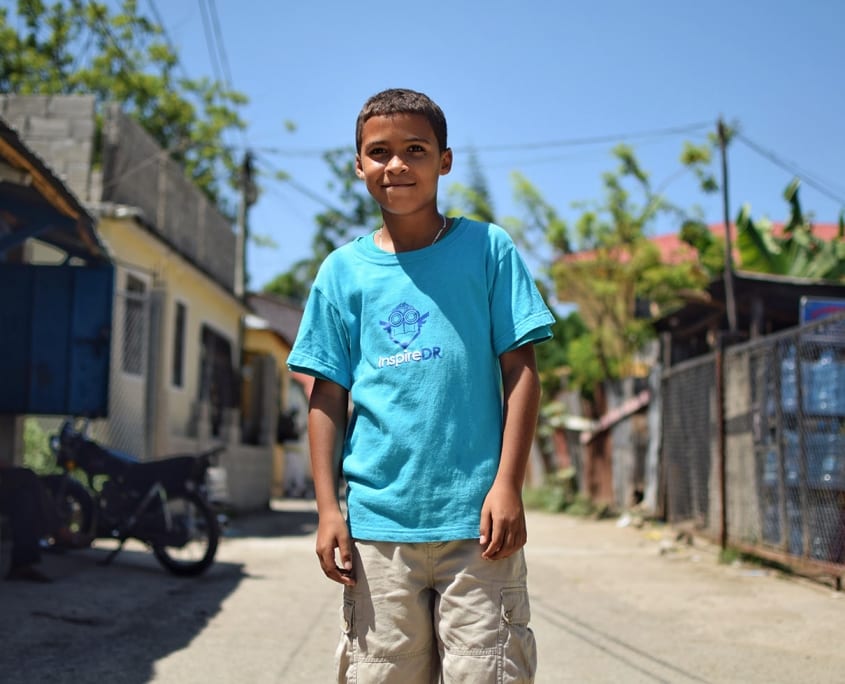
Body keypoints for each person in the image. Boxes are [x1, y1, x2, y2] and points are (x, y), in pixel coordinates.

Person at [287, 88, 554, 683]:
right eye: (379, 152)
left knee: (489, 672)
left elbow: (521, 370)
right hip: (378, 528)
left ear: (444, 160)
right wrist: (328, 509)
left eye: (415, 149)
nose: (397, 165)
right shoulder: (342, 272)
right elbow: (326, 396)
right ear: (359, 165)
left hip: (478, 525)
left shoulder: (487, 250)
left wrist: (508, 485)